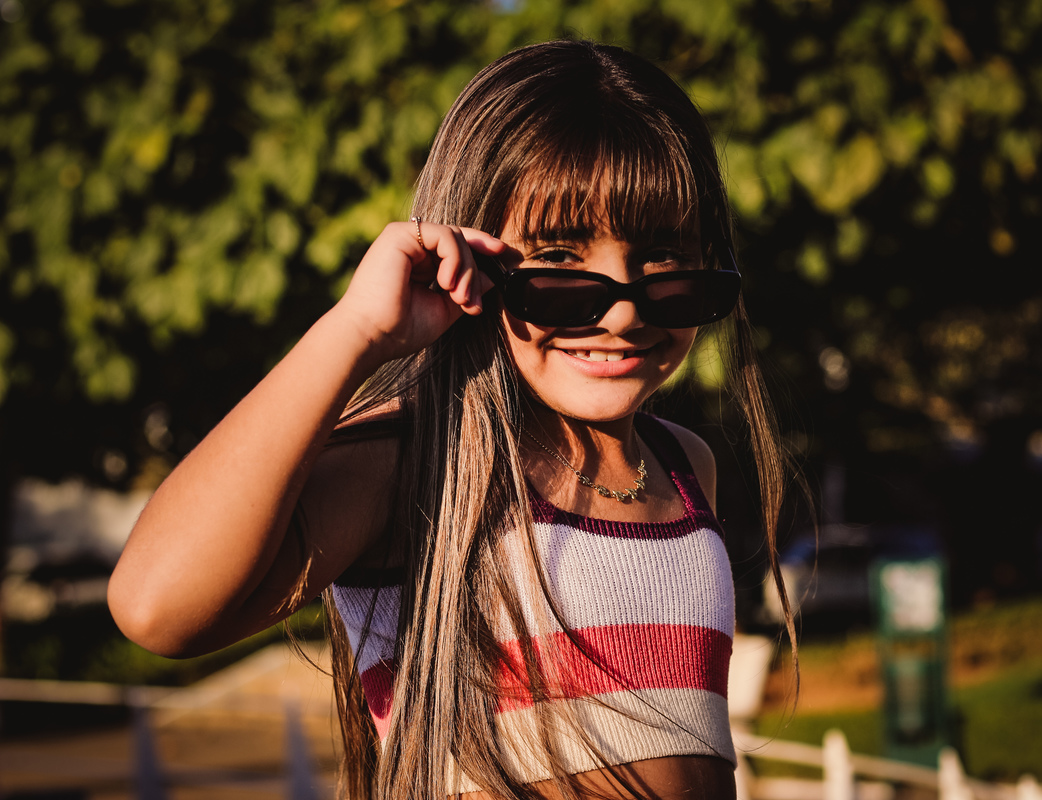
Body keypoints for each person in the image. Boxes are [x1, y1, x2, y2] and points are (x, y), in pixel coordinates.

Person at [109, 40, 798, 800]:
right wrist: (356, 332)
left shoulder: (684, 464)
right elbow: (156, 607)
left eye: (665, 258)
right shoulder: (418, 465)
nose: (626, 310)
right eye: (560, 262)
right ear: (468, 257)